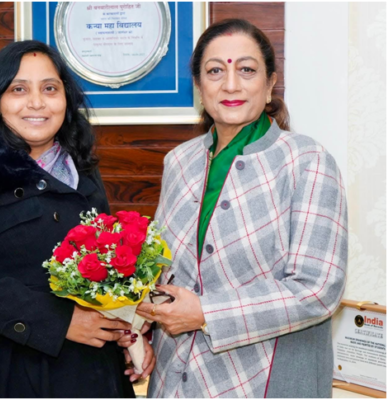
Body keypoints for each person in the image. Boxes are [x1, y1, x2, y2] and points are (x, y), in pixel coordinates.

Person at [0, 40, 154, 398]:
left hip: (85, 370)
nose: (36, 102)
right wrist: (61, 322)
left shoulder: (81, 169)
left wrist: (126, 330)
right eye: (18, 89)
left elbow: (105, 270)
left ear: (66, 99)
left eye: (50, 88)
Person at [131, 19, 347, 398]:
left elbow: (317, 289)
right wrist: (138, 322)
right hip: (174, 378)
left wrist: (206, 313)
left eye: (246, 70)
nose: (231, 85)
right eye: (215, 71)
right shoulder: (179, 161)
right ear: (199, 86)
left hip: (268, 380)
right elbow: (163, 268)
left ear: (269, 83)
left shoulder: (307, 161)